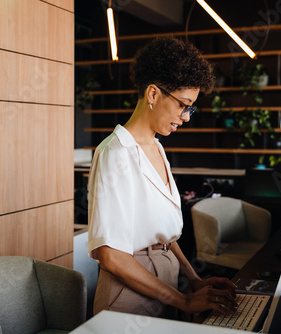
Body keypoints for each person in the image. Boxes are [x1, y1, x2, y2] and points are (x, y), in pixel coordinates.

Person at [87, 37, 237, 319]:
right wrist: (185, 301)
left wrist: (194, 281)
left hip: (165, 280)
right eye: (183, 104)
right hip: (129, 292)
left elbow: (163, 233)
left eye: (190, 107)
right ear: (153, 95)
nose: (186, 116)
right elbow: (110, 255)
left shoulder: (156, 147)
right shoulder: (114, 154)